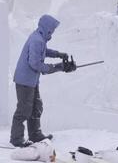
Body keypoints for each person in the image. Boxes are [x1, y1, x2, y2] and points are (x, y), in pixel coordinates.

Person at [10, 14, 76, 147]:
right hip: (24, 80)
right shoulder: (37, 40)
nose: (53, 32)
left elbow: (43, 51)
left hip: (32, 80)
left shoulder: (39, 38)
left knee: (36, 107)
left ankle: (35, 134)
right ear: (47, 28)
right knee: (24, 110)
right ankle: (16, 139)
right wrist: (58, 67)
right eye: (52, 29)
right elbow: (35, 63)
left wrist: (58, 54)